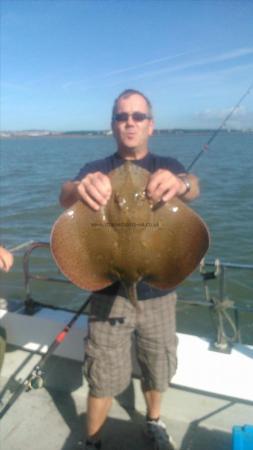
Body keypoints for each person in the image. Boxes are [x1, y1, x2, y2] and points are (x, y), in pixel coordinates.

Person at [59, 89, 200, 450]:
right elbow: (64, 195)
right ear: (113, 125)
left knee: (158, 362)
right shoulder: (96, 169)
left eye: (138, 116)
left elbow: (193, 186)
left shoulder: (165, 164)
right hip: (109, 290)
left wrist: (182, 184)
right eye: (122, 116)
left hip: (159, 287)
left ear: (150, 125)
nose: (130, 122)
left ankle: (153, 421)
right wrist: (79, 186)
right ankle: (92, 440)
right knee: (103, 372)